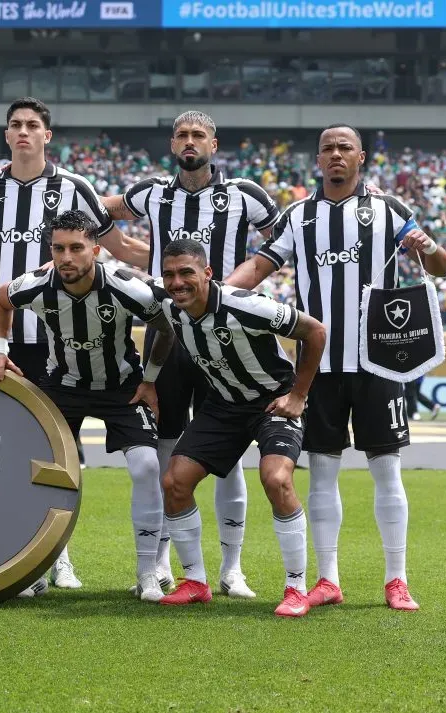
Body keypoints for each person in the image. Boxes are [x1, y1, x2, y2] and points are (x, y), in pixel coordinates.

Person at [227, 124, 446, 610]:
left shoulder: (389, 210)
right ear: (318, 159)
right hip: (318, 366)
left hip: (379, 362)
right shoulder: (299, 215)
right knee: (322, 472)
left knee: (387, 471)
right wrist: (220, 291)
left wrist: (428, 247)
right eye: (327, 148)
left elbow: (442, 268)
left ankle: (397, 578)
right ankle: (327, 579)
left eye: (343, 148)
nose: (334, 155)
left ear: (361, 157)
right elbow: (262, 265)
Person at [0, 96, 149, 591]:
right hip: (0, 340)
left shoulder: (75, 187)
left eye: (33, 125)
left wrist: (173, 265)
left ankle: (59, 556)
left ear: (47, 135)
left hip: (57, 341)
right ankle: (16, 552)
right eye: (15, 125)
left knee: (57, 452)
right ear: (6, 135)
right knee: (6, 448)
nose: (24, 132)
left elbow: (113, 249)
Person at [102, 110, 282, 599]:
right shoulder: (151, 192)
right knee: (167, 445)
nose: (189, 141)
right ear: (171, 142)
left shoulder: (245, 193)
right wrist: (121, 247)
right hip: (168, 331)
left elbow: (283, 240)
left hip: (227, 335)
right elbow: (104, 212)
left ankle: (232, 568)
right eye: (182, 134)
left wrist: (238, 285)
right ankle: (162, 559)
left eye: (197, 135)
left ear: (214, 144)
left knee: (230, 454)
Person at [0, 210, 177, 600]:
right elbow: (0, 299)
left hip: (121, 386)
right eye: (58, 248)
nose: (66, 257)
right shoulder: (37, 285)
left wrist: (151, 380)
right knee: (43, 470)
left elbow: (166, 327)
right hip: (62, 386)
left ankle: (147, 572)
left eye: (76, 248)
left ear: (96, 250)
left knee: (147, 466)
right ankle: (47, 565)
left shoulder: (127, 288)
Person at [153, 239, 326, 617]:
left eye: (186, 273)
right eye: (169, 274)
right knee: (174, 482)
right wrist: (150, 380)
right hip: (224, 405)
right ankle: (196, 582)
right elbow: (161, 330)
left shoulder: (245, 305)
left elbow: (315, 331)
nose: (177, 282)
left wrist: (298, 395)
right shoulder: (171, 309)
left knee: (276, 479)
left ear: (207, 274)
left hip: (272, 400)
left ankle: (296, 588)